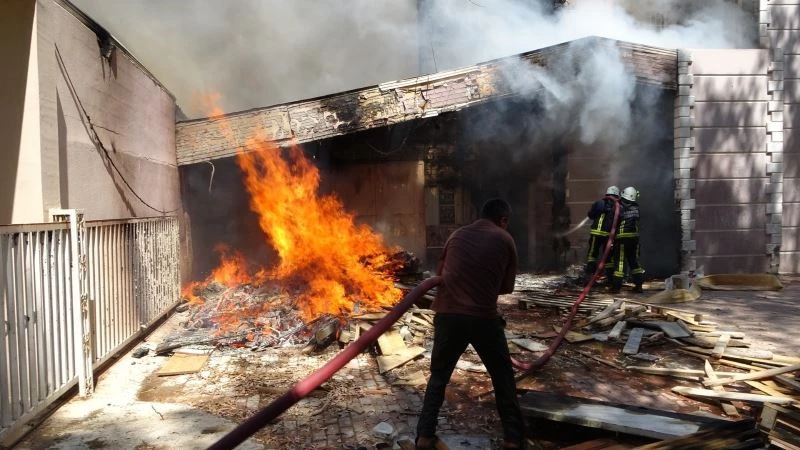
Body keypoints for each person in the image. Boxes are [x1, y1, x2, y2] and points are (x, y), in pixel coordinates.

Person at [416, 198, 525, 449]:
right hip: (483, 317)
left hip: (448, 316)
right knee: (502, 377)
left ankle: (424, 436)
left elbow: (440, 274)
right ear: (503, 220)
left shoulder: (456, 235)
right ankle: (513, 439)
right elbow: (507, 287)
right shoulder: (505, 239)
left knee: (438, 377)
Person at [610, 186, 645, 293]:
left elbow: (613, 221)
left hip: (622, 239)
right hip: (634, 239)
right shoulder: (636, 208)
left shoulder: (618, 207)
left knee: (620, 262)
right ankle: (639, 286)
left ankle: (616, 287)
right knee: (635, 262)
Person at [584, 186, 621, 283]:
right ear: (617, 195)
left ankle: (589, 277)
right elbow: (619, 220)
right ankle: (610, 279)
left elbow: (591, 215)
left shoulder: (599, 203)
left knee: (592, 255)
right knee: (608, 257)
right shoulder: (618, 206)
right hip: (608, 236)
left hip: (596, 234)